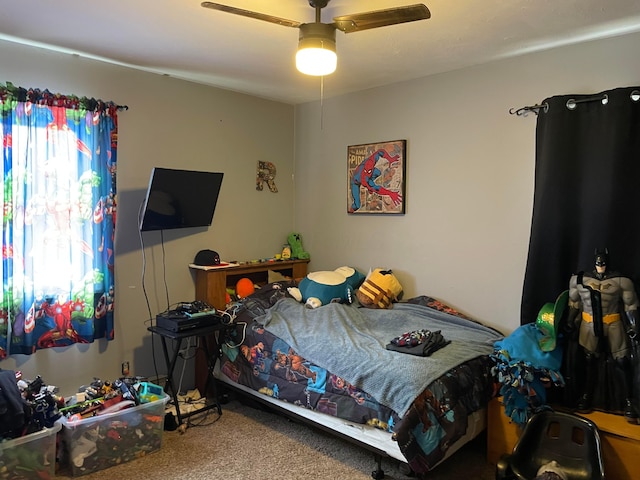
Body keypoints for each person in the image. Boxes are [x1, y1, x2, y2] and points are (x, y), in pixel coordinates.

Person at [567, 248, 639, 422]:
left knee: (622, 361)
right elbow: (574, 302)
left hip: (612, 322)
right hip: (588, 323)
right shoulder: (579, 279)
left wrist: (634, 325)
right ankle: (586, 395)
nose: (601, 266)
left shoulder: (621, 281)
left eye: (603, 262)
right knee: (589, 360)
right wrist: (569, 321)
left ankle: (630, 401)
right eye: (598, 262)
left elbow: (630, 304)